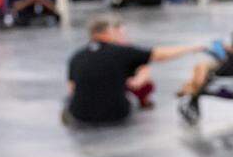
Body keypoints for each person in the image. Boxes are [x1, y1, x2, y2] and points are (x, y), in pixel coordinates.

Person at [64, 14, 205, 126]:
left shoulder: (76, 57)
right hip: (116, 115)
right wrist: (191, 48)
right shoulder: (122, 51)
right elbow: (160, 54)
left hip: (80, 116)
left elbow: (71, 89)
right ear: (110, 31)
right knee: (146, 83)